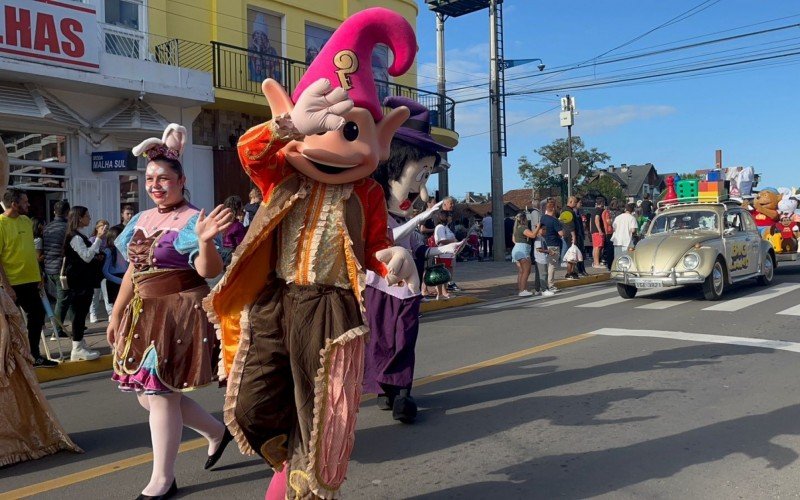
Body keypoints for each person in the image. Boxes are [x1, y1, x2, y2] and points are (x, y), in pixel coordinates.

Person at [108, 124, 235, 499]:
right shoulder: (142, 220)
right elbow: (134, 270)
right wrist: (116, 314)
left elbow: (209, 272)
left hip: (178, 312)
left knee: (162, 395)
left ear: (181, 180)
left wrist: (206, 241)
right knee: (148, 395)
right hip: (141, 314)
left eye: (164, 177)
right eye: (149, 178)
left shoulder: (195, 219)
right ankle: (215, 431)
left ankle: (162, 479)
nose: (155, 184)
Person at [364, 96, 458, 423]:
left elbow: (414, 246)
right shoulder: (371, 204)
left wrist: (439, 251)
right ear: (395, 164)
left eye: (427, 176)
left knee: (403, 338)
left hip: (406, 289)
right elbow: (383, 241)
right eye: (421, 174)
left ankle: (401, 391)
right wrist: (420, 219)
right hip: (377, 285)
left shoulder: (401, 210)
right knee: (378, 339)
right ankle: (384, 388)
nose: (423, 184)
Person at [0, 189, 57, 367]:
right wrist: (6, 285)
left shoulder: (25, 221)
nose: (28, 204)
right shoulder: (1, 224)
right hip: (12, 284)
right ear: (14, 204)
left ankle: (34, 354)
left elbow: (29, 251)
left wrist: (38, 275)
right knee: (9, 325)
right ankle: (9, 360)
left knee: (37, 317)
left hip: (31, 281)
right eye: (25, 202)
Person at [63, 207, 104, 361]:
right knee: (79, 314)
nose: (90, 218)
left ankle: (80, 342)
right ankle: (77, 348)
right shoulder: (75, 237)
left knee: (82, 313)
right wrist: (99, 238)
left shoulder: (80, 235)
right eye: (87, 216)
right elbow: (86, 256)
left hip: (83, 280)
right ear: (79, 218)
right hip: (78, 282)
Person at [42, 199, 71, 338]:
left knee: (65, 297)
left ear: (54, 212)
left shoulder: (48, 227)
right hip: (62, 269)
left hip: (49, 268)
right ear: (67, 212)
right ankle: (57, 330)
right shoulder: (67, 228)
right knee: (63, 299)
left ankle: (73, 324)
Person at [539, 200, 564, 294]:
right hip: (554, 244)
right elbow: (561, 233)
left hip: (544, 243)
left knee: (545, 265)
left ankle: (543, 284)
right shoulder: (554, 220)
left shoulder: (543, 218)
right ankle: (551, 285)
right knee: (552, 266)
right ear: (553, 208)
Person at [88, 219, 110, 324]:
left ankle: (110, 313)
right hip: (94, 271)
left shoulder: (108, 240)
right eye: (103, 228)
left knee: (107, 293)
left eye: (107, 228)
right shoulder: (92, 239)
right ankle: (93, 314)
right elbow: (89, 253)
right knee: (95, 294)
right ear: (97, 228)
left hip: (106, 270)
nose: (105, 230)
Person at [511, 212, 536, 296]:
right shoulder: (523, 227)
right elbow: (532, 235)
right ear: (524, 219)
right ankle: (522, 290)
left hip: (517, 248)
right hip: (523, 250)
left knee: (521, 271)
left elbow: (513, 240)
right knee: (526, 271)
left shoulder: (516, 228)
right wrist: (538, 226)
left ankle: (521, 289)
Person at [434, 211, 458, 300]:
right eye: (449, 216)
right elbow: (441, 241)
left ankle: (444, 292)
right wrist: (454, 241)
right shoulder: (440, 227)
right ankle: (441, 293)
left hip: (448, 254)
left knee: (446, 274)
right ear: (445, 217)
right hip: (443, 254)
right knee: (442, 274)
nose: (450, 218)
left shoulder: (446, 227)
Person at [101, 226, 127, 308]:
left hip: (124, 278)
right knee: (117, 307)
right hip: (114, 281)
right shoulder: (109, 251)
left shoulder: (125, 250)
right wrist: (120, 281)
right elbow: (105, 272)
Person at [221, 195, 246, 268]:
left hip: (223, 253)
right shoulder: (238, 226)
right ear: (238, 209)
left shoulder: (224, 224)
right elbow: (241, 244)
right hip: (232, 254)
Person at [559, 196, 580, 280]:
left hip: (568, 234)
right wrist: (574, 236)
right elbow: (570, 225)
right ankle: (569, 273)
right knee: (572, 255)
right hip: (570, 235)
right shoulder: (567, 211)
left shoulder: (565, 210)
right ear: (570, 201)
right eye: (575, 202)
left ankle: (573, 272)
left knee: (573, 255)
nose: (575, 204)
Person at [531, 225, 552, 296]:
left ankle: (537, 289)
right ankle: (544, 289)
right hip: (541, 259)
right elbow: (539, 249)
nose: (545, 231)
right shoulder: (538, 238)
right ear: (538, 229)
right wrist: (548, 251)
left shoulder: (541, 238)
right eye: (543, 229)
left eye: (545, 229)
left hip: (540, 258)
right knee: (544, 274)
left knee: (538, 275)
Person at [591, 197, 607, 269]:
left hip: (594, 231)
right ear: (602, 203)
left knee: (595, 247)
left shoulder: (593, 210)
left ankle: (595, 262)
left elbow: (591, 221)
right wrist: (600, 230)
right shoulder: (599, 210)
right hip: (598, 232)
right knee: (598, 247)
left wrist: (591, 231)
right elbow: (596, 219)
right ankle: (597, 263)